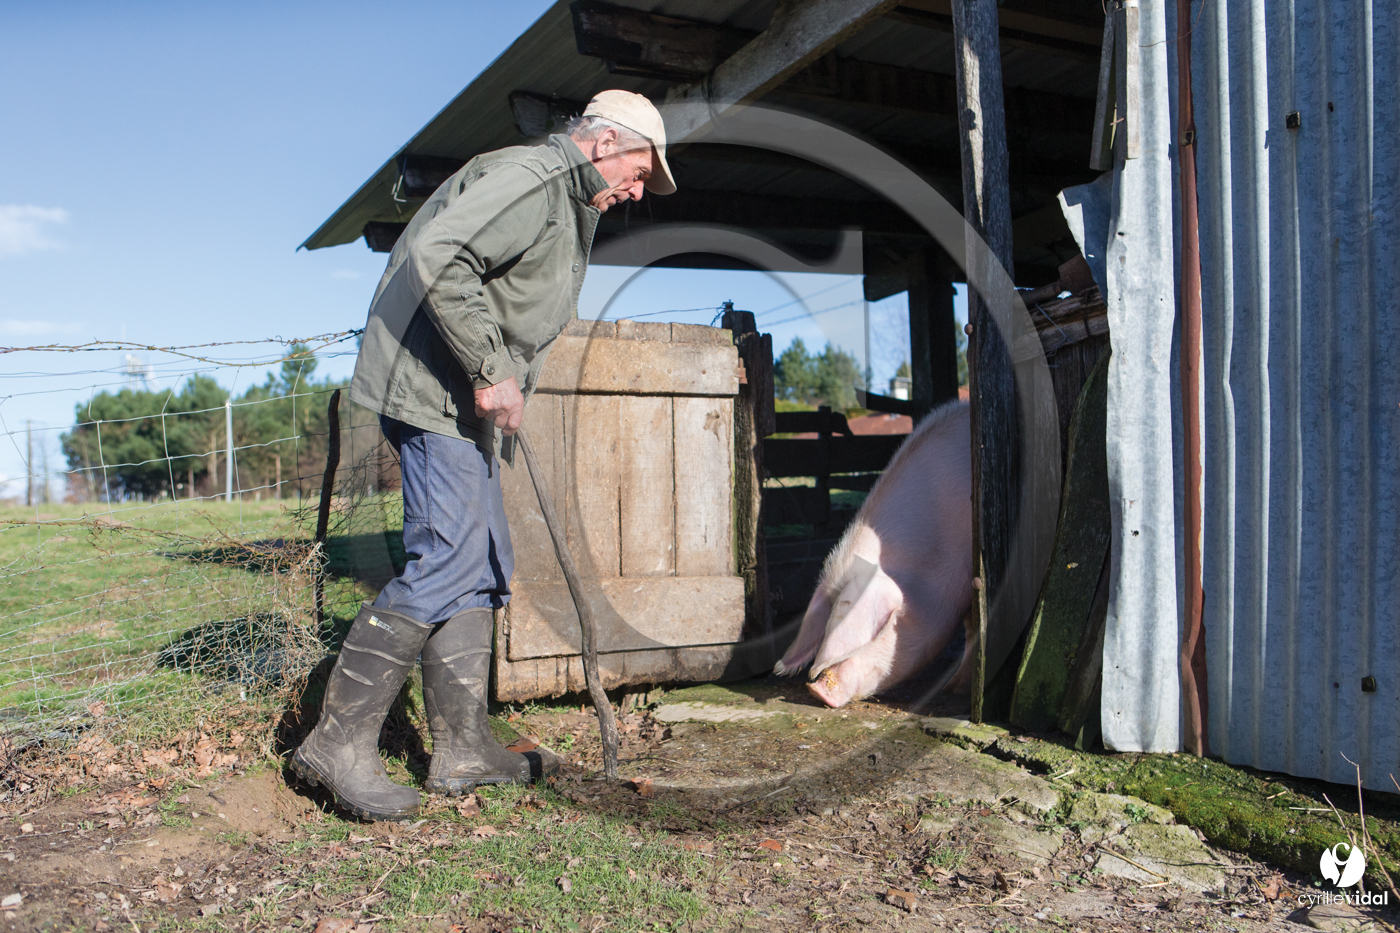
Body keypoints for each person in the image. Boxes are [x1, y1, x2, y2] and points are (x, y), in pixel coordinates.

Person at [291, 90, 676, 820]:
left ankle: (462, 746)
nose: (636, 191)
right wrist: (490, 366)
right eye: (638, 171)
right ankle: (334, 745)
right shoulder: (534, 179)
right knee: (447, 558)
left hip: (460, 403)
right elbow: (438, 254)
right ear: (604, 143)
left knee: (481, 561)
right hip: (435, 391)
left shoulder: (563, 200)